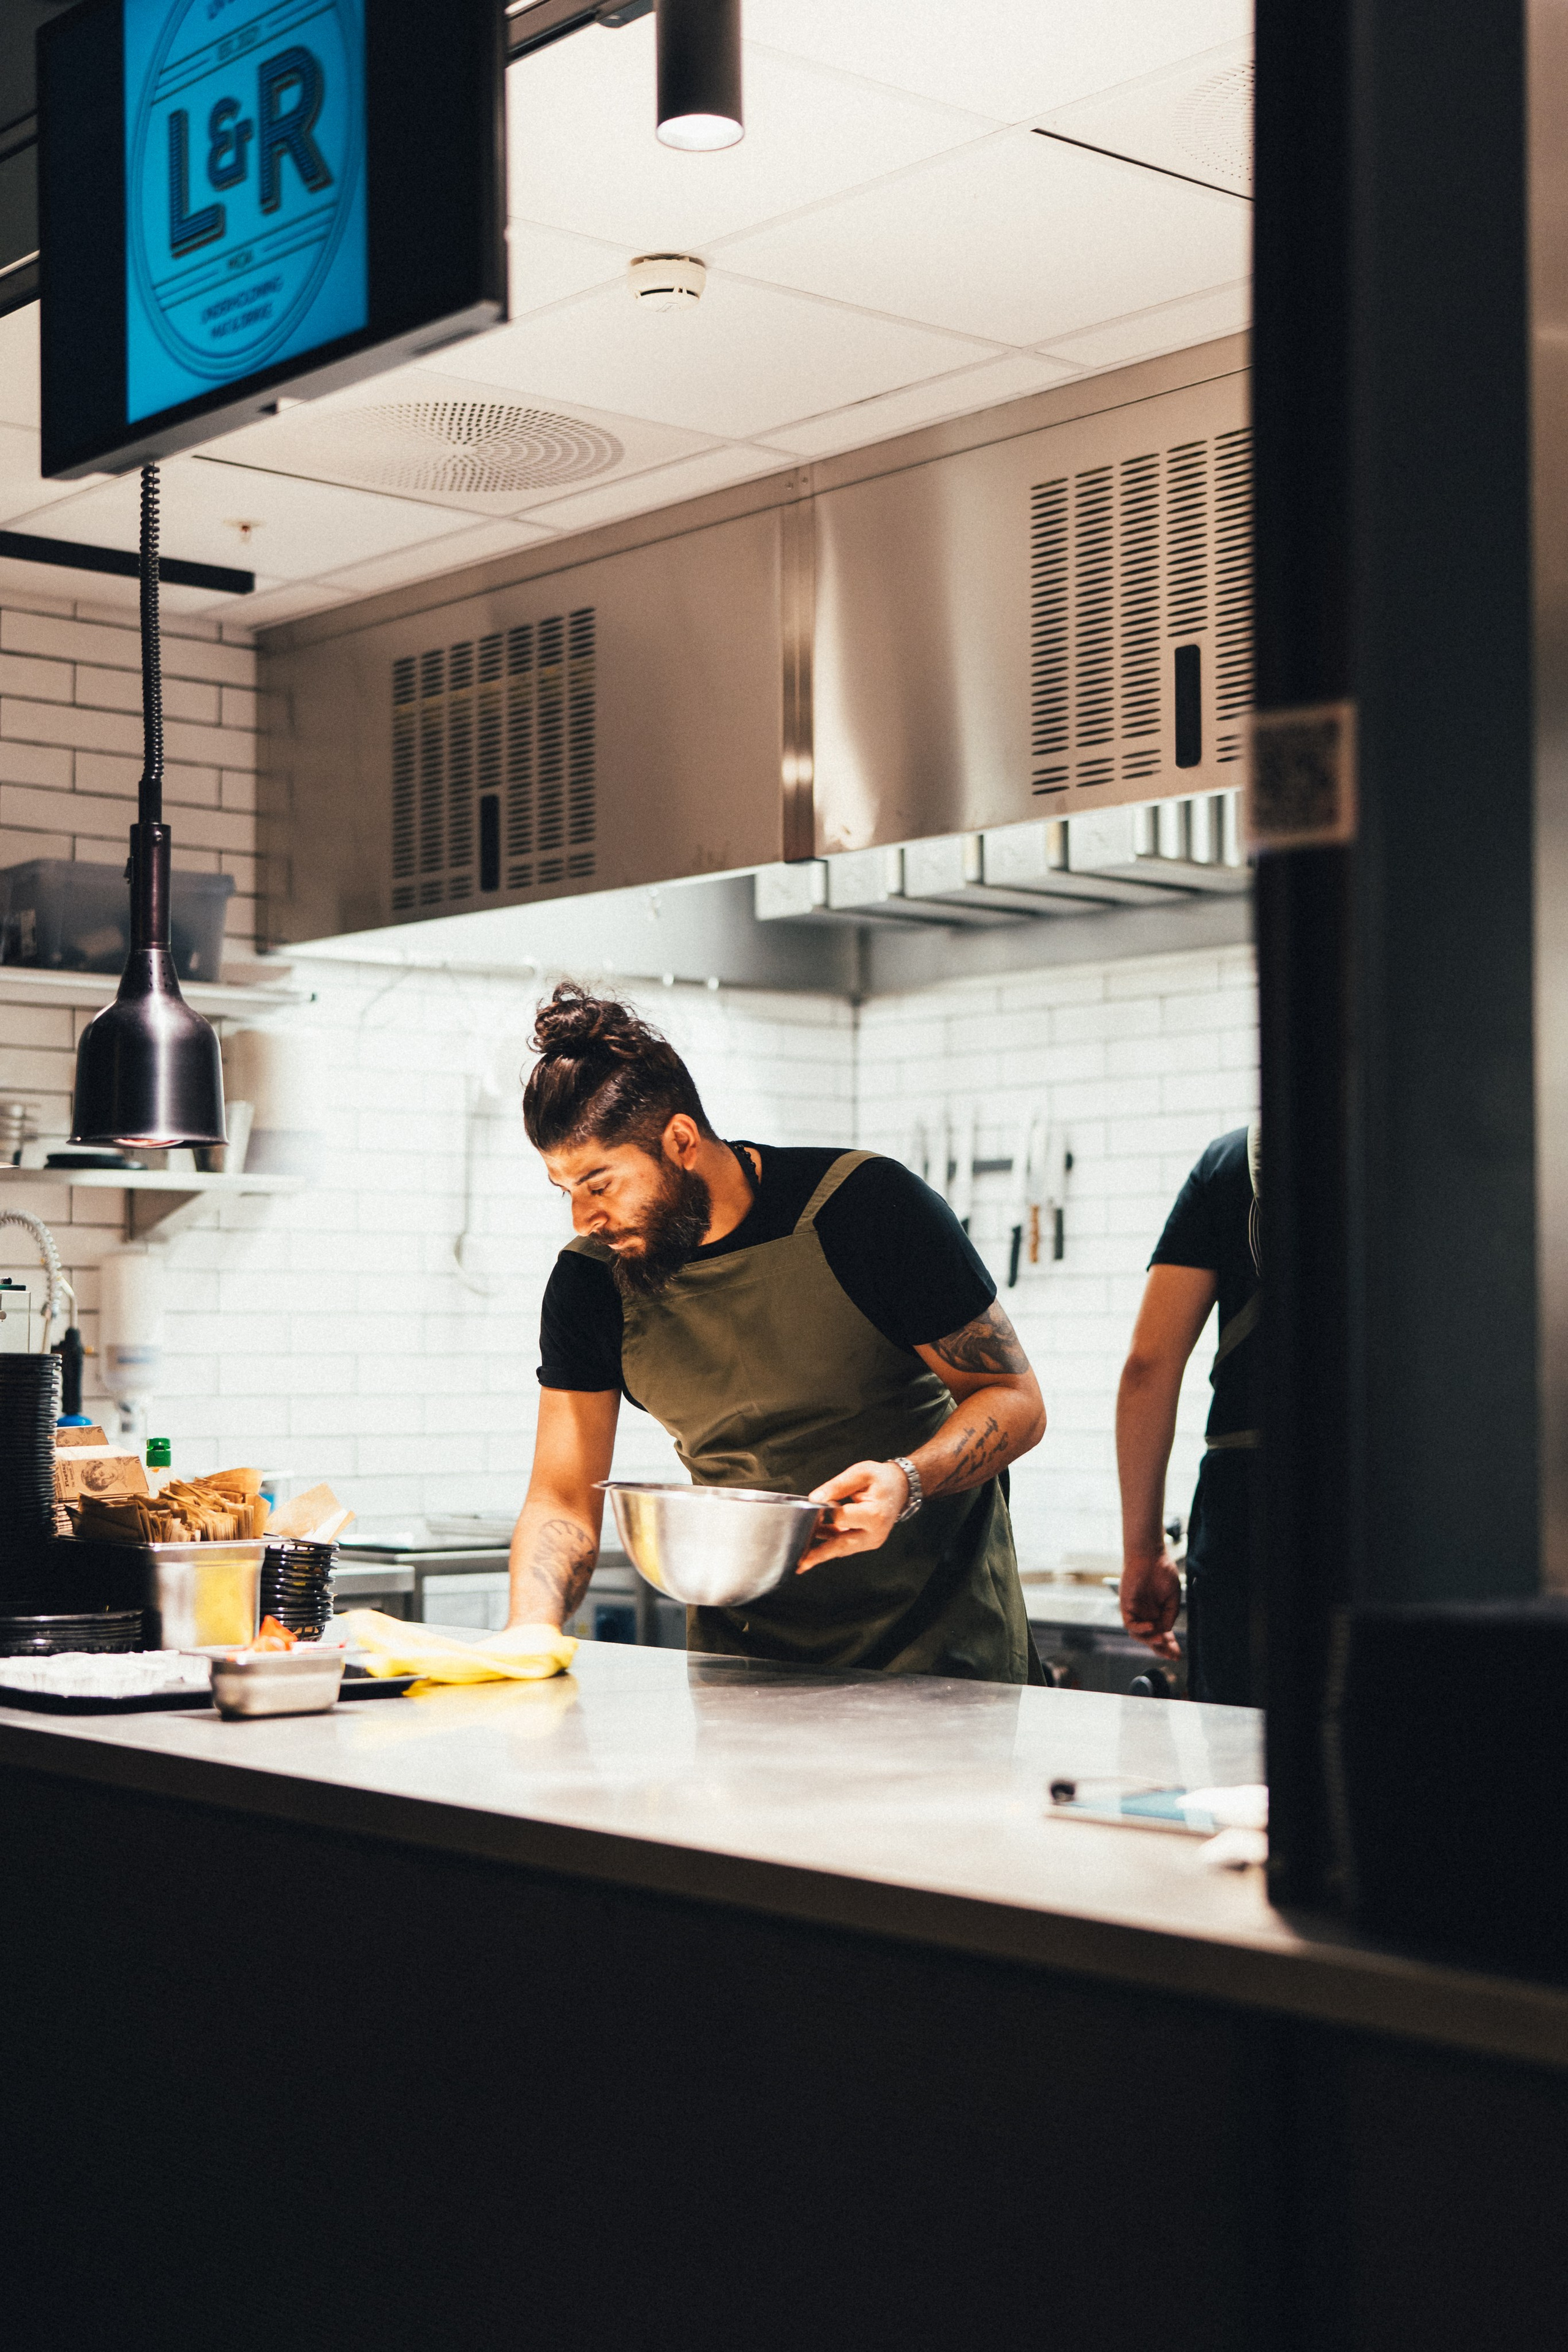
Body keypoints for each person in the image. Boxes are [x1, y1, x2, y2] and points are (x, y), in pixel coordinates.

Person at [507, 984, 1048, 1683]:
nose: (583, 1218)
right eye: (565, 1191)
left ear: (679, 1141)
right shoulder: (589, 1283)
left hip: (940, 1651)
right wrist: (528, 1634)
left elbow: (1015, 1400)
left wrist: (907, 1481)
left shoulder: (867, 1208)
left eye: (600, 1184)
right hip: (744, 1664)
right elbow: (561, 1495)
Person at [1115, 1123, 1261, 1706]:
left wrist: (1142, 1552)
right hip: (1413, 1498)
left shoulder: (1232, 1163)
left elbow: (1148, 1367)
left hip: (1250, 1508)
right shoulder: (1438, 1149)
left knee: (1245, 1760)